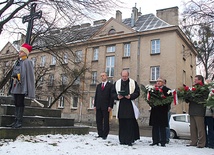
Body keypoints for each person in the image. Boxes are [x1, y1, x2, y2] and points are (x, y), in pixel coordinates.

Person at [6, 43, 35, 128]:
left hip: (22, 86)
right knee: (16, 103)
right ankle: (15, 120)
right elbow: (15, 72)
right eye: (20, 51)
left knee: (20, 102)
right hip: (16, 85)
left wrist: (26, 85)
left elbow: (29, 75)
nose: (20, 53)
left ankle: (19, 121)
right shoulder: (17, 62)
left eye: (22, 51)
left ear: (25, 53)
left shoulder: (28, 62)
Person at [112, 70, 140, 146]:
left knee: (129, 124)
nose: (124, 78)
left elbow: (137, 92)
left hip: (129, 105)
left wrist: (131, 96)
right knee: (122, 124)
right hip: (121, 105)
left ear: (128, 76)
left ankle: (129, 140)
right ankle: (122, 140)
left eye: (125, 76)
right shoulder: (117, 83)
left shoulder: (133, 83)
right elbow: (112, 93)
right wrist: (117, 96)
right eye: (123, 76)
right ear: (121, 76)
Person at [186, 75, 208, 148]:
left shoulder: (204, 89)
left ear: (200, 80)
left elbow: (203, 99)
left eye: (196, 79)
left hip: (199, 111)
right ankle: (193, 141)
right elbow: (189, 99)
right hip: (192, 110)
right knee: (192, 128)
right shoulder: (193, 88)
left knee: (200, 128)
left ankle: (202, 143)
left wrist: (193, 97)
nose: (194, 81)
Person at [149, 77, 171, 147]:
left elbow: (169, 100)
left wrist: (162, 101)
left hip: (162, 110)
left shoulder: (167, 90)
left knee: (162, 126)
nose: (158, 82)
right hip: (155, 110)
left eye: (160, 81)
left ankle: (163, 141)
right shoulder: (153, 90)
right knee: (155, 126)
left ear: (163, 83)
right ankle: (155, 141)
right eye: (157, 81)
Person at [94, 72, 114, 140]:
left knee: (106, 121)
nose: (102, 77)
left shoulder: (110, 86)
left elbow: (111, 97)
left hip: (106, 106)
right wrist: (95, 105)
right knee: (98, 120)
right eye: (101, 76)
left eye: (103, 75)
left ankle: (105, 134)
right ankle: (100, 133)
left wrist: (110, 106)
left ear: (106, 76)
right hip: (98, 106)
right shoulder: (99, 86)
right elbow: (96, 96)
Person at [204, 79, 214, 149]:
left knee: (211, 129)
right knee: (207, 129)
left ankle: (211, 143)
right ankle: (207, 142)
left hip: (210, 113)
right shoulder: (206, 92)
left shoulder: (212, 92)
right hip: (205, 113)